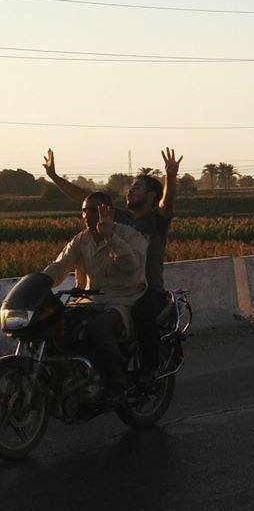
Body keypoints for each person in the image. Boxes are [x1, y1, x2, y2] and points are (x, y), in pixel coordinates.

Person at [44, 148, 181, 375]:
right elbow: (86, 198)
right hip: (115, 288)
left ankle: (149, 368)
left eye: (137, 187)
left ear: (151, 196)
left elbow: (167, 203)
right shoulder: (117, 218)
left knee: (141, 314)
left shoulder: (156, 219)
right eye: (130, 187)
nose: (130, 190)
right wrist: (54, 176)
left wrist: (171, 176)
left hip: (147, 288)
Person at [43, 193, 148, 400]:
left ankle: (117, 377)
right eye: (84, 210)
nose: (86, 215)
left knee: (99, 327)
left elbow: (131, 266)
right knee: (54, 324)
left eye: (92, 210)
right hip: (88, 301)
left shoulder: (131, 236)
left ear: (108, 211)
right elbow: (59, 266)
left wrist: (110, 237)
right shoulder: (81, 239)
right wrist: (38, 282)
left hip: (122, 301)